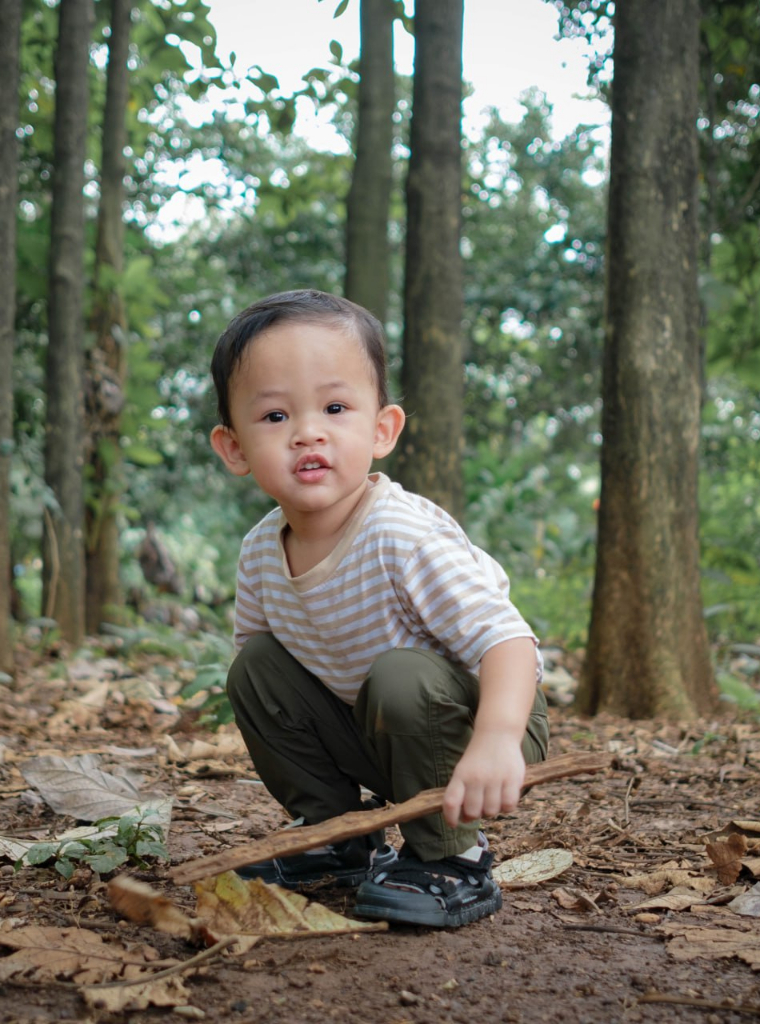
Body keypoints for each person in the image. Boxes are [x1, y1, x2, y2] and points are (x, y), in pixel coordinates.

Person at [209, 289, 549, 928]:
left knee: (402, 674)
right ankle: (337, 838)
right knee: (253, 667)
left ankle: (455, 857)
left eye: (336, 407)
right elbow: (277, 694)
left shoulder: (400, 534)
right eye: (276, 416)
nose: (309, 431)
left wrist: (498, 738)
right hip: (376, 731)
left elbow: (508, 642)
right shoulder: (261, 550)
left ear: (381, 429)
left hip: (485, 726)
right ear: (233, 447)